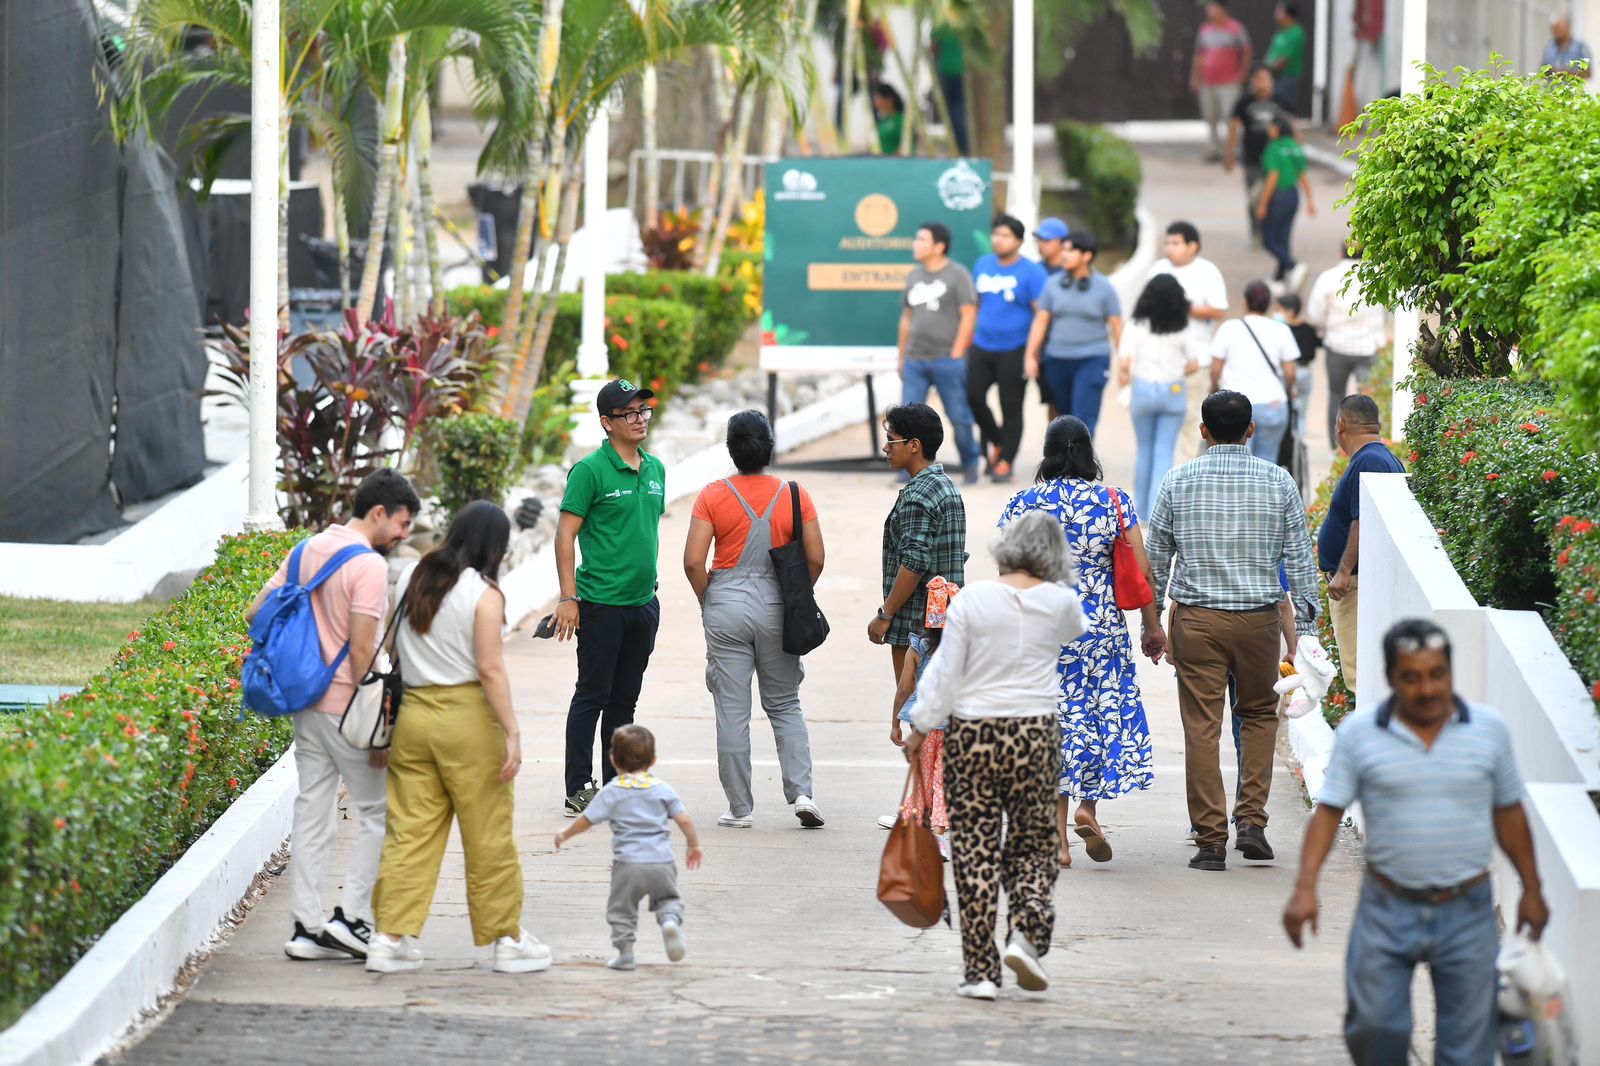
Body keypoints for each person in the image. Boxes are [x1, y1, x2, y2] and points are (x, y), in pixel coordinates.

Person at [1284, 619, 1550, 1065]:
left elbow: (1509, 813)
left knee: (1467, 1050)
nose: (1427, 689)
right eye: (1412, 677)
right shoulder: (1361, 734)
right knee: (1374, 1029)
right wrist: (1305, 887)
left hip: (1466, 908)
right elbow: (1329, 811)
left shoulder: (1488, 731)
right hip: (1387, 907)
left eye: (1436, 674)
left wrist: (1533, 890)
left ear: (1449, 672)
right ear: (1391, 678)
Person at [905, 511, 1087, 1000]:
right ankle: (1027, 934)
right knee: (1033, 843)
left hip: (974, 735)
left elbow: (945, 670)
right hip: (1034, 735)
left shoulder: (974, 600)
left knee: (975, 852)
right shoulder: (1061, 603)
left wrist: (921, 725)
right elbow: (1076, 628)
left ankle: (981, 971)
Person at [366, 502, 551, 975]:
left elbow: (390, 648)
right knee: (487, 832)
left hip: (413, 717)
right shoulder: (484, 594)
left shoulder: (412, 577)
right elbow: (490, 668)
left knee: (410, 831)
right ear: (494, 547)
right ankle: (506, 939)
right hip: (467, 719)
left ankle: (389, 939)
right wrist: (511, 730)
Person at [245, 468, 420, 962]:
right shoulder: (366, 565)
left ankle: (306, 927)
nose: (404, 535)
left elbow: (255, 612)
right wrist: (384, 714)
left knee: (313, 810)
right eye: (402, 523)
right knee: (380, 813)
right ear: (379, 512)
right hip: (348, 707)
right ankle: (352, 918)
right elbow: (365, 648)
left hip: (305, 704)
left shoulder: (307, 549)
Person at [1143, 390, 1319, 872]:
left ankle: (1210, 841)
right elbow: (1301, 557)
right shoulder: (1278, 481)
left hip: (1197, 622)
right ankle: (1252, 823)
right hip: (1259, 621)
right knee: (1260, 715)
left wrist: (1152, 622)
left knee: (1202, 726)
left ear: (1203, 430)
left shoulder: (1178, 480)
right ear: (1251, 430)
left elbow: (1156, 558)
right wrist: (1305, 625)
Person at [1000, 417, 1162, 868]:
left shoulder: (1023, 503)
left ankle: (1058, 837)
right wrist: (1152, 627)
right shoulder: (1114, 501)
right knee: (1102, 711)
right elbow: (1141, 570)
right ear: (1088, 452)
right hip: (1101, 627)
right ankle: (1089, 808)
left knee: (1057, 718)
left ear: (1047, 452)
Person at [683, 411, 825, 831]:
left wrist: (709, 598)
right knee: (784, 703)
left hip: (725, 600)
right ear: (769, 447)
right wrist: (795, 593)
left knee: (731, 709)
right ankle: (801, 793)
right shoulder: (796, 495)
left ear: (731, 449)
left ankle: (740, 808)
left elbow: (693, 561)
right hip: (778, 604)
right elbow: (815, 557)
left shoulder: (712, 494)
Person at [554, 379, 667, 817]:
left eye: (644, 411)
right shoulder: (589, 471)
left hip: (643, 604)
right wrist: (569, 597)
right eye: (629, 413)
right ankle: (579, 786)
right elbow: (565, 535)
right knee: (592, 694)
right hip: (600, 605)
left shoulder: (655, 469)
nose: (639, 420)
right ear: (607, 422)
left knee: (625, 700)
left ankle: (619, 782)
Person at [554, 725, 704, 972]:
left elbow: (586, 820)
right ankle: (669, 922)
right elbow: (684, 819)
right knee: (667, 899)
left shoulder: (612, 791)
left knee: (622, 910)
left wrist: (564, 834)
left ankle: (625, 954)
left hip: (628, 865)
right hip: (661, 863)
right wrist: (694, 845)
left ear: (613, 760)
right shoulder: (663, 789)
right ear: (653, 760)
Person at [868, 403, 969, 685]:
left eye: (891, 441)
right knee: (939, 713)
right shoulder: (946, 485)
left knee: (916, 709)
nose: (886, 449)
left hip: (915, 622)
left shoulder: (917, 496)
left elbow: (914, 562)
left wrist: (885, 614)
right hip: (944, 619)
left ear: (914, 445)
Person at [1318, 396, 1404, 695]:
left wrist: (1343, 571)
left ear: (1341, 425)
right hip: (1356, 583)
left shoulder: (1370, 460)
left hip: (1353, 586)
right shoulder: (1381, 457)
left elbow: (1362, 519)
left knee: (1359, 678)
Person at [899, 222, 982, 483]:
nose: (916, 244)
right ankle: (909, 471)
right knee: (905, 421)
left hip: (948, 360)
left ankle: (970, 463)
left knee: (958, 416)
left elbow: (969, 315)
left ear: (939, 246)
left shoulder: (958, 275)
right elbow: (906, 317)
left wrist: (957, 352)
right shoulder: (914, 276)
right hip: (915, 361)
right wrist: (902, 356)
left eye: (922, 239)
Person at [969, 214, 1049, 482]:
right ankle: (998, 440)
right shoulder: (982, 265)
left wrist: (1033, 353)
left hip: (1015, 348)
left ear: (1018, 241)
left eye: (1004, 236)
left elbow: (1042, 314)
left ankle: (1005, 460)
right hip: (982, 345)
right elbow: (975, 305)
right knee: (973, 396)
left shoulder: (1032, 272)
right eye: (995, 234)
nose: (997, 240)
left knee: (1010, 406)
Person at [1119, 275, 1206, 513]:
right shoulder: (1182, 326)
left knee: (1144, 449)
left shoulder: (1135, 325)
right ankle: (1159, 511)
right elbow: (1194, 364)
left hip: (1143, 390)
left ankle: (1141, 509)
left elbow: (1124, 362)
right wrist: (1177, 370)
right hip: (1173, 389)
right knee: (1164, 450)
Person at [1025, 230, 1123, 438]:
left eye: (1070, 250)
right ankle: (1062, 465)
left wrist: (1124, 363)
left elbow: (1116, 325)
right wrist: (1031, 356)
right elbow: (1040, 322)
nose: (1064, 255)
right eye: (1063, 250)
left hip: (1092, 359)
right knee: (1063, 417)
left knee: (1083, 418)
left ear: (1086, 256)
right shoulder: (1052, 285)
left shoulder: (1104, 288)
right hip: (1057, 359)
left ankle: (1082, 467)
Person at [883, 580, 957, 856]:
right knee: (943, 780)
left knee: (923, 777)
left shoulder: (918, 649)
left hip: (923, 724)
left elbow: (905, 688)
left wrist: (894, 723)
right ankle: (938, 836)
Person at [1147, 221, 1229, 458]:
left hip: (1196, 357)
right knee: (1163, 416)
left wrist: (1183, 307)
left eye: (1175, 243)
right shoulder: (1158, 269)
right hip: (1161, 359)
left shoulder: (1207, 271)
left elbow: (1218, 310)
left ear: (1192, 246)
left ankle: (1186, 468)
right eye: (1167, 243)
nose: (1169, 248)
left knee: (1192, 416)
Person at [1307, 247, 1389, 448]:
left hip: (1337, 347)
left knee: (1336, 396)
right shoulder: (1379, 275)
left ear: (1340, 253)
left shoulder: (1328, 278)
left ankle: (1335, 449)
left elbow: (1314, 315)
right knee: (1369, 400)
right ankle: (1369, 446)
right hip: (1370, 347)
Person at [1210, 280, 1298, 464]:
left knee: (1236, 462)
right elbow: (1290, 373)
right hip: (1272, 403)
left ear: (1244, 302)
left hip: (1234, 406)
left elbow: (1215, 369)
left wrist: (1214, 388)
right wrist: (1288, 390)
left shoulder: (1229, 328)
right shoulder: (1281, 330)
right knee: (1268, 462)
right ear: (1268, 305)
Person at [1256, 110, 1315, 290]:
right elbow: (1302, 174)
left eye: (1271, 126)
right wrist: (1310, 200)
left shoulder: (1274, 148)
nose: (1268, 130)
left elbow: (1272, 177)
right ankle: (1279, 280)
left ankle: (1293, 265)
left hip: (1278, 196)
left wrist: (1263, 203)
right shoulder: (1295, 146)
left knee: (1268, 239)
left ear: (1278, 128)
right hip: (1293, 195)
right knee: (1283, 238)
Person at [1225, 66, 1285, 242]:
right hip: (1252, 158)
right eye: (1260, 79)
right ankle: (1256, 232)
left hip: (1277, 160)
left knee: (1276, 197)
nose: (1264, 83)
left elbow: (1291, 128)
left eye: (1267, 79)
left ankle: (1273, 233)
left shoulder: (1280, 101)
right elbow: (1234, 128)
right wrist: (1230, 154)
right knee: (1254, 197)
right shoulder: (1244, 103)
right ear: (1253, 82)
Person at [1191, 1, 1253, 162]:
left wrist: (1242, 75)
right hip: (1208, 82)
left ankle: (1234, 151)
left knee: (1230, 117)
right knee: (1210, 116)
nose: (1208, 11)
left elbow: (1246, 52)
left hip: (1229, 82)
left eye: (1212, 8)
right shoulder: (1205, 30)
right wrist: (1195, 77)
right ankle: (1214, 150)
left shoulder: (1235, 28)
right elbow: (1199, 56)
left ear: (1222, 10)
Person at [1034, 217, 1071, 419]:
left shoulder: (1073, 271)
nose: (1042, 244)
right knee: (1053, 401)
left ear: (1062, 242)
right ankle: (1056, 446)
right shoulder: (1034, 270)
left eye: (1047, 240)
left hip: (1069, 343)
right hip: (1044, 349)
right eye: (1039, 239)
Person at [930, 21, 970, 154]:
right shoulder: (962, 23)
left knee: (951, 111)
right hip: (961, 71)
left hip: (947, 72)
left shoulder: (940, 24)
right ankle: (962, 145)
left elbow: (934, 47)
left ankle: (960, 145)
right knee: (958, 110)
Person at [1265, 3, 1308, 109]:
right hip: (1274, 77)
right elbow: (1272, 52)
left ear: (1287, 14)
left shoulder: (1296, 33)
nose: (1276, 14)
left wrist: (1269, 71)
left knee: (1283, 106)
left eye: (1279, 11)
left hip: (1287, 77)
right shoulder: (1281, 32)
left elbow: (1285, 58)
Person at [1541, 14, 1592, 80]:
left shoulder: (1580, 47)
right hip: (1552, 89)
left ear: (1568, 27)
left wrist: (1564, 73)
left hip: (1573, 89)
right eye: (1553, 28)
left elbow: (1588, 73)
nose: (1555, 31)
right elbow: (1542, 71)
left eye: (1558, 28)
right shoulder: (1549, 47)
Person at [872, 82, 905, 154]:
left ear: (889, 99)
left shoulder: (900, 120)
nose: (876, 102)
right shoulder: (882, 121)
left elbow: (907, 145)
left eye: (878, 98)